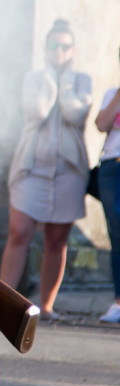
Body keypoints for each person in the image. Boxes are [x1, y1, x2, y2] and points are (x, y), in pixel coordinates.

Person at [0, 19, 92, 321]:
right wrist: (51, 80)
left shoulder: (81, 80)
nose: (59, 51)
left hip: (68, 173)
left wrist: (64, 83)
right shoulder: (34, 78)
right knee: (19, 231)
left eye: (65, 46)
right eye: (53, 45)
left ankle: (46, 306)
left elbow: (75, 114)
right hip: (32, 168)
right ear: (45, 48)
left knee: (56, 239)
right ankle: (3, 300)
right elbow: (36, 111)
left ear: (73, 50)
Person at [93, 78, 120, 323]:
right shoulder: (113, 92)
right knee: (117, 235)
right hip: (113, 166)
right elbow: (101, 124)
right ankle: (119, 301)